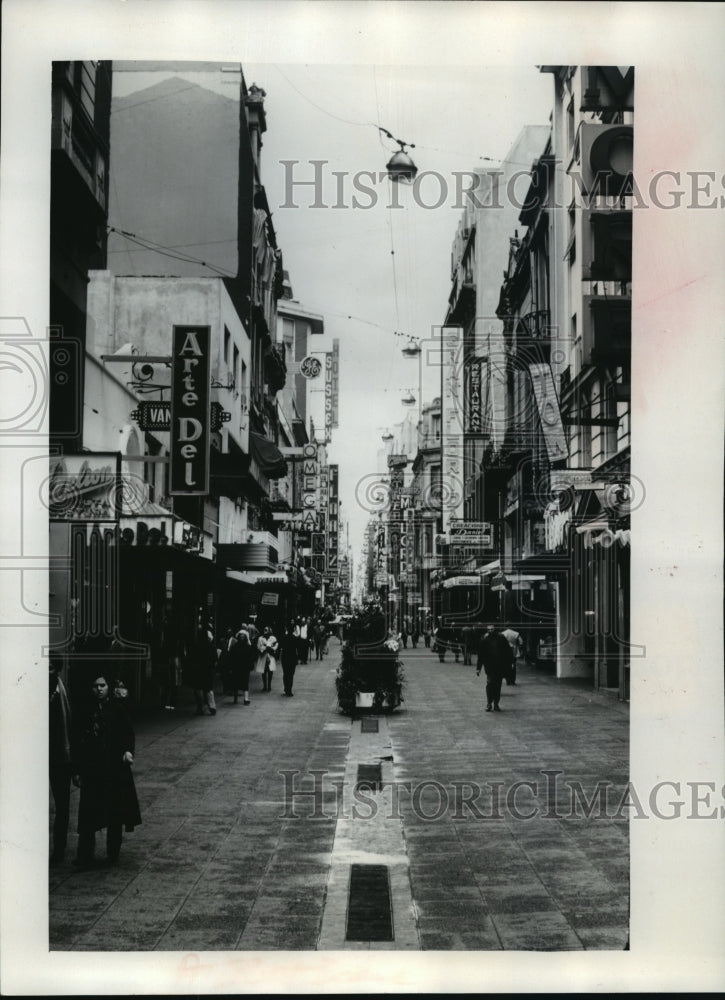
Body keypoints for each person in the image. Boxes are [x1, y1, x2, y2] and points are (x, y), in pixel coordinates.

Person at [71, 673, 142, 869]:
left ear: (108, 687)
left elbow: (128, 733)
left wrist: (128, 751)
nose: (99, 689)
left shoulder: (117, 709)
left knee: (114, 813)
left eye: (102, 685)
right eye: (95, 686)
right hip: (92, 769)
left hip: (113, 769)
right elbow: (77, 741)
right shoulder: (84, 711)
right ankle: (85, 854)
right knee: (88, 814)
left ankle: (113, 853)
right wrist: (76, 770)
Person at [49, 657, 72, 865]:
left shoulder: (61, 693)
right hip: (46, 756)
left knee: (62, 806)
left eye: (50, 668)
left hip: (59, 757)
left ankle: (59, 849)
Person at [476, 624, 515, 712]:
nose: (490, 631)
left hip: (500, 666)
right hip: (489, 667)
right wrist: (478, 668)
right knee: (490, 684)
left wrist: (511, 662)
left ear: (495, 629)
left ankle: (496, 704)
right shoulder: (484, 640)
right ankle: (489, 703)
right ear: (487, 630)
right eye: (489, 629)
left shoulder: (501, 638)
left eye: (492, 629)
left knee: (498, 686)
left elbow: (508, 651)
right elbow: (481, 655)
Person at [191, 626, 217, 716]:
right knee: (209, 689)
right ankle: (212, 706)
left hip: (198, 670)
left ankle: (200, 707)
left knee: (198, 689)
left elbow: (192, 658)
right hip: (208, 670)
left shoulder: (196, 646)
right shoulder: (211, 646)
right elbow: (215, 658)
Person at [230, 626, 255, 705]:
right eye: (240, 636)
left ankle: (246, 698)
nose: (242, 637)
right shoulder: (235, 647)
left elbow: (251, 658)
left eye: (243, 636)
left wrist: (250, 666)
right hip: (236, 667)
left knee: (245, 682)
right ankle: (235, 698)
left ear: (245, 637)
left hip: (245, 667)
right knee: (235, 683)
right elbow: (231, 657)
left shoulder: (248, 647)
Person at [256, 626, 279, 691]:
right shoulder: (260, 638)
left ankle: (269, 685)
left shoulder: (273, 638)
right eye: (264, 629)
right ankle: (264, 686)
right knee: (263, 671)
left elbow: (276, 646)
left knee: (270, 671)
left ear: (269, 631)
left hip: (270, 656)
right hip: (263, 656)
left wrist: (271, 648)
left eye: (266, 630)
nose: (265, 631)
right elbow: (258, 647)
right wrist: (264, 648)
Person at [279, 623, 299, 696]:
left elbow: (280, 646)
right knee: (291, 675)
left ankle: (286, 688)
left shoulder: (284, 637)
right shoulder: (295, 638)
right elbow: (297, 648)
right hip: (292, 658)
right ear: (293, 630)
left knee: (285, 674)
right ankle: (289, 690)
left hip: (285, 658)